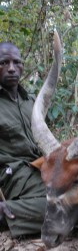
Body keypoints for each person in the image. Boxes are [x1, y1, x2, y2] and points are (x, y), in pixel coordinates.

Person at [0, 41, 46, 238]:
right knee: (65, 203)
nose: (11, 68)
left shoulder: (31, 102)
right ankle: (6, 214)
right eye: (4, 63)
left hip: (37, 168)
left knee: (77, 189)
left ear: (22, 66)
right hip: (11, 176)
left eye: (16, 62)